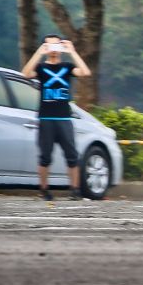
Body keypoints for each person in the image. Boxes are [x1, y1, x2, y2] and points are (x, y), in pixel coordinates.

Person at [21, 34, 91, 201]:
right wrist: (39, 53)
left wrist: (72, 51)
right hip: (46, 118)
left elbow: (85, 72)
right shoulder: (41, 68)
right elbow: (25, 74)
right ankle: (44, 190)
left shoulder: (67, 67)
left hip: (64, 118)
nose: (53, 49)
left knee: (72, 155)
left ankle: (75, 190)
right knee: (45, 156)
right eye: (50, 46)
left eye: (56, 45)